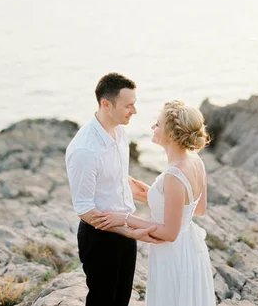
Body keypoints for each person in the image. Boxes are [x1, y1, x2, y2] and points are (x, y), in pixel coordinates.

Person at [93, 100, 215, 306]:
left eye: (157, 124)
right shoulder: (195, 160)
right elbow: (197, 208)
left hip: (174, 255)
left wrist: (124, 219)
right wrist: (147, 192)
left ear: (170, 135)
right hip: (190, 249)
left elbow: (169, 233)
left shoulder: (174, 175)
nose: (152, 127)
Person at [65, 72, 162, 306]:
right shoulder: (85, 150)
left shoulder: (120, 132)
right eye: (129, 106)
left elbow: (118, 178)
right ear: (106, 104)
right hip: (99, 239)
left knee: (122, 300)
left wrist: (156, 198)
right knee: (102, 301)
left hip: (125, 229)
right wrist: (129, 231)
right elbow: (85, 210)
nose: (134, 111)